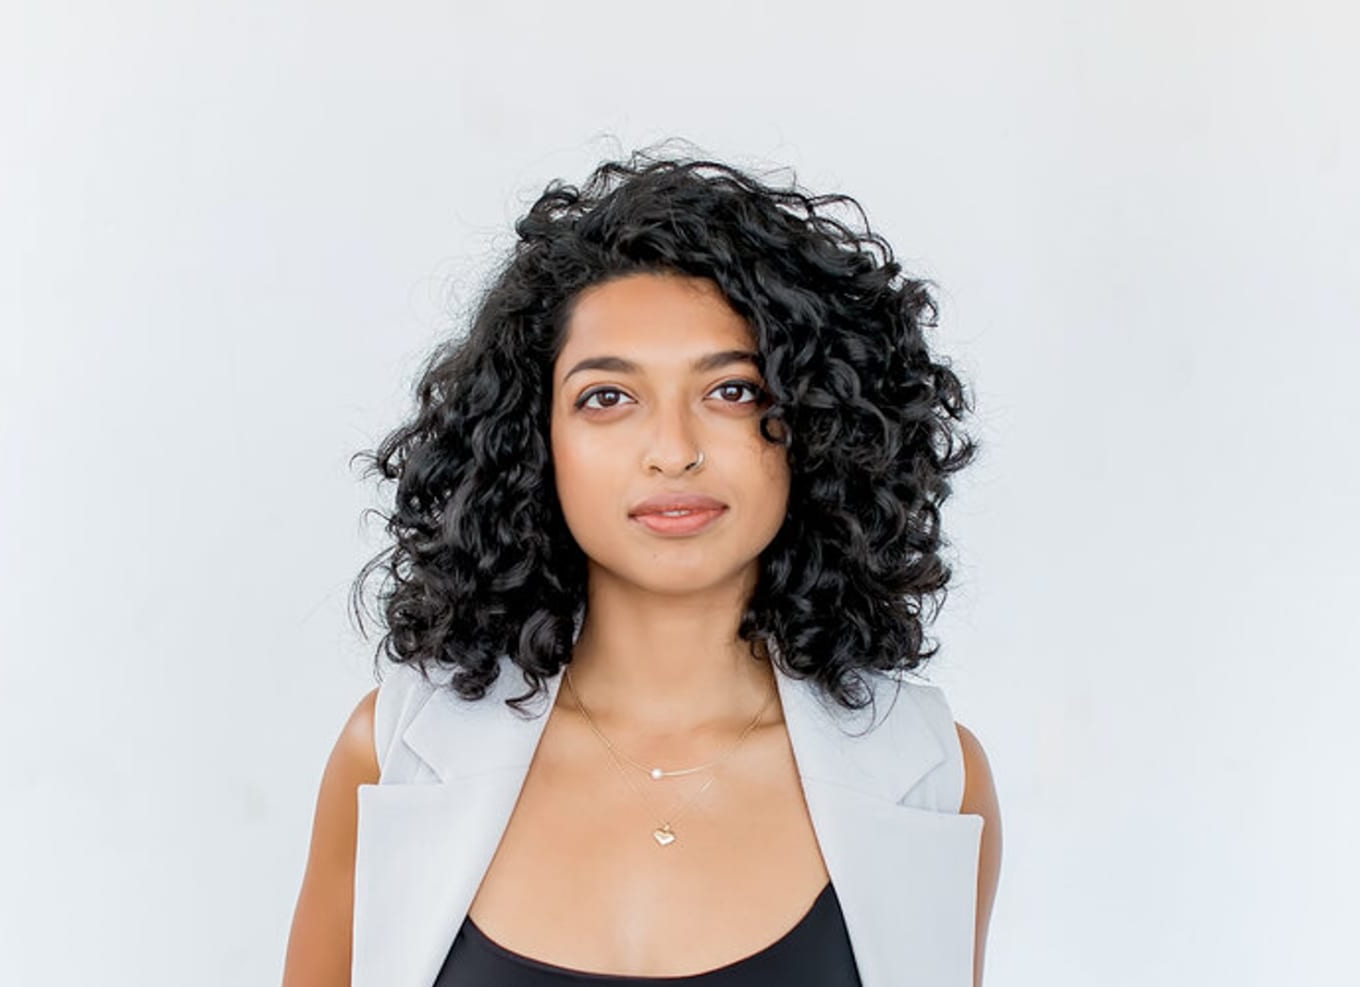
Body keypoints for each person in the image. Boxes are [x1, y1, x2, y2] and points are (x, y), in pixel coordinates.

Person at [282, 144, 1003, 987]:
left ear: (818, 420)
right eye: (607, 397)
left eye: (733, 390)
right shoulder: (393, 753)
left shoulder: (933, 779)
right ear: (532, 436)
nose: (673, 450)